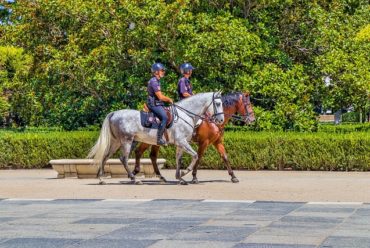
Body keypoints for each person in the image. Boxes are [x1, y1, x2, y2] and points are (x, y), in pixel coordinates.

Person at [147, 63, 173, 145]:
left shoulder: (157, 81)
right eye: (162, 70)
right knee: (164, 117)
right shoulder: (154, 81)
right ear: (156, 72)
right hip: (153, 104)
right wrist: (169, 99)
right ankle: (159, 139)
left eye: (163, 70)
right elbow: (160, 96)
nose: (163, 72)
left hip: (158, 103)